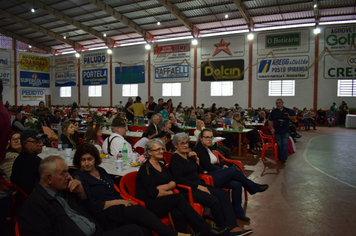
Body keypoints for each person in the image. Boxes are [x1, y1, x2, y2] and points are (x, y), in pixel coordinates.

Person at [73, 143, 195, 236]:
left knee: (145, 229)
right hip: (105, 213)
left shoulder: (101, 171)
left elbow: (114, 191)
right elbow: (94, 205)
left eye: (89, 159)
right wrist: (121, 202)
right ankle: (173, 234)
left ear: (95, 159)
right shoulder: (79, 177)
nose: (86, 163)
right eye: (83, 160)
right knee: (137, 210)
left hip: (118, 207)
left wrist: (123, 201)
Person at [18, 155, 144, 236]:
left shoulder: (64, 192)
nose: (68, 177)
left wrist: (82, 194)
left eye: (68, 172)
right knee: (135, 230)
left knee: (138, 227)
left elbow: (93, 213)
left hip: (98, 230)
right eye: (63, 173)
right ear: (49, 178)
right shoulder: (34, 206)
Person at [136, 139, 229, 236]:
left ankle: (194, 233)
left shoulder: (160, 165)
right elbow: (153, 193)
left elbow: (173, 181)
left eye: (162, 149)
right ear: (149, 152)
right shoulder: (145, 169)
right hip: (148, 204)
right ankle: (206, 229)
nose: (161, 151)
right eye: (157, 149)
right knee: (178, 197)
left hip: (162, 199)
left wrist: (166, 186)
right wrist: (170, 192)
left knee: (178, 213)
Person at [169, 133, 252, 236]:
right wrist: (198, 187)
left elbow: (197, 170)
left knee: (223, 194)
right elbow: (178, 179)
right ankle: (223, 229)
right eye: (182, 143)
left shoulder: (188, 155)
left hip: (198, 185)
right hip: (188, 190)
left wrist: (196, 159)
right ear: (176, 145)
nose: (186, 145)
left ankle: (232, 226)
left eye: (186, 143)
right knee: (214, 201)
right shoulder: (175, 158)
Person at [193, 129, 268, 222]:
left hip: (213, 174)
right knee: (233, 170)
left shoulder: (207, 147)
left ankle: (238, 213)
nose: (209, 139)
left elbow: (212, 163)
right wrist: (223, 169)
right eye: (206, 137)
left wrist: (221, 166)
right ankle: (253, 187)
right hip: (206, 177)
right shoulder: (199, 149)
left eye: (211, 137)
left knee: (237, 184)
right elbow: (208, 166)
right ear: (201, 138)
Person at [11, 129, 44, 195]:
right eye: (36, 141)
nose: (41, 144)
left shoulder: (20, 158)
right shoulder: (34, 161)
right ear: (25, 144)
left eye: (41, 141)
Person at [268, 99, 296, 163]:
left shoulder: (288, 110)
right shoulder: (274, 111)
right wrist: (271, 128)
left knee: (285, 143)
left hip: (285, 130)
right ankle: (280, 155)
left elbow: (294, 119)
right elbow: (269, 120)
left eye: (279, 103)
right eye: (277, 103)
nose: (278, 104)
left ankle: (283, 158)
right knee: (279, 144)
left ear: (282, 103)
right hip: (277, 131)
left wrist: (288, 116)